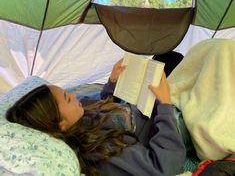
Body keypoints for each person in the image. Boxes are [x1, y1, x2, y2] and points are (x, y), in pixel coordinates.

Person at [6, 59, 186, 176]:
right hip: (169, 122)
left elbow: (102, 108)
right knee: (204, 57)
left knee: (170, 56)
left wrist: (112, 84)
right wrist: (164, 105)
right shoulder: (100, 150)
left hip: (147, 106)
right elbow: (164, 167)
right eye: (68, 98)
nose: (75, 96)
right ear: (61, 124)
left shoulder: (80, 113)